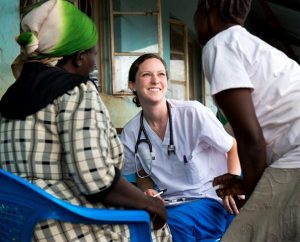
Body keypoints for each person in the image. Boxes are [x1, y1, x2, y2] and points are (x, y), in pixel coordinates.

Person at [0, 1, 172, 241]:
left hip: (19, 227)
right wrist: (151, 205)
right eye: (94, 54)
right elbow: (96, 180)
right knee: (158, 227)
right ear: (80, 58)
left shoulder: (9, 96)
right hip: (65, 225)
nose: (94, 63)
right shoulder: (76, 91)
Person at [194, 0, 300, 241]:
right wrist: (251, 185)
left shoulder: (219, 45)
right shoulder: (250, 46)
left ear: (208, 7)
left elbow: (250, 139)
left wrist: (252, 197)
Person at [120, 53, 242, 242]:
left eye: (161, 74)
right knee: (135, 226)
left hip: (210, 200)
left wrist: (232, 186)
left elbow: (231, 145)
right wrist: (147, 191)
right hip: (169, 205)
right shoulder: (131, 132)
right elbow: (142, 172)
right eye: (146, 75)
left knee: (171, 227)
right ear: (132, 85)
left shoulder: (193, 113)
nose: (155, 80)